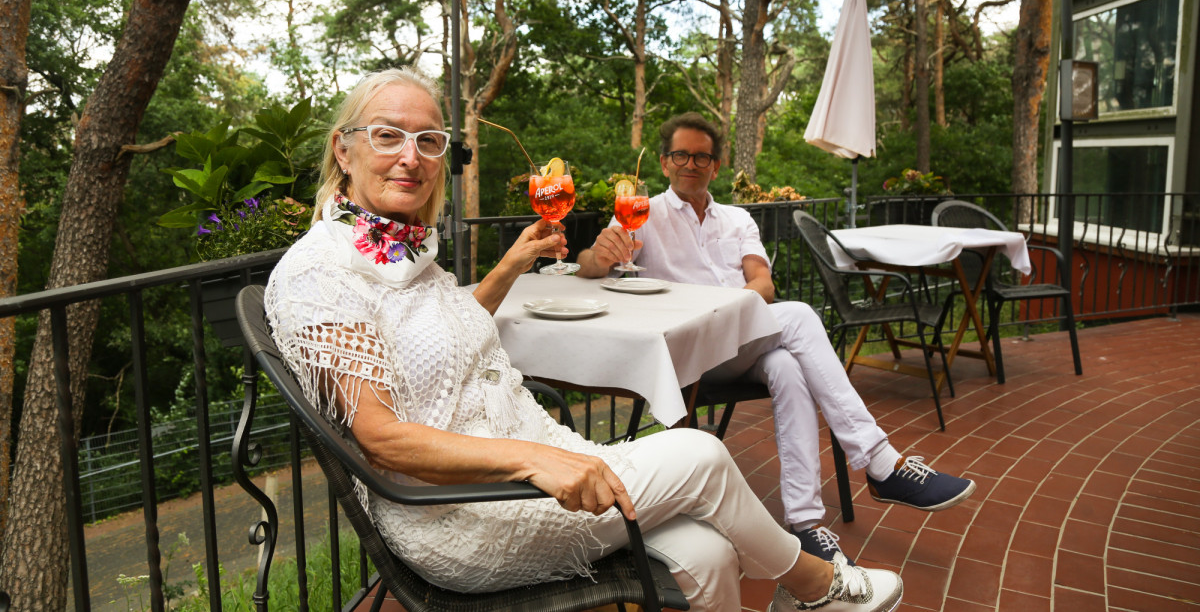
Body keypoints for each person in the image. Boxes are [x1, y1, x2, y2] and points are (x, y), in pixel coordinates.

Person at [265, 68, 904, 612]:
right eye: (388, 136)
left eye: (429, 140)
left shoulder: (406, 255)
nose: (411, 155)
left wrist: (510, 266)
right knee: (699, 455)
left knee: (708, 555)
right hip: (462, 514)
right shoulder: (322, 272)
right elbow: (381, 437)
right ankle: (819, 589)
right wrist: (532, 460)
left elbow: (452, 332)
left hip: (518, 471)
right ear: (343, 150)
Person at [577, 112, 976, 565]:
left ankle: (805, 524)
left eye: (701, 156)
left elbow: (762, 284)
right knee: (801, 316)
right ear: (665, 162)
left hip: (739, 339)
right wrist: (599, 255)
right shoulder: (644, 213)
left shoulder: (737, 219)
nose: (690, 163)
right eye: (680, 155)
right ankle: (880, 462)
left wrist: (728, 315)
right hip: (689, 352)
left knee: (787, 365)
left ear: (716, 165)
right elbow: (593, 263)